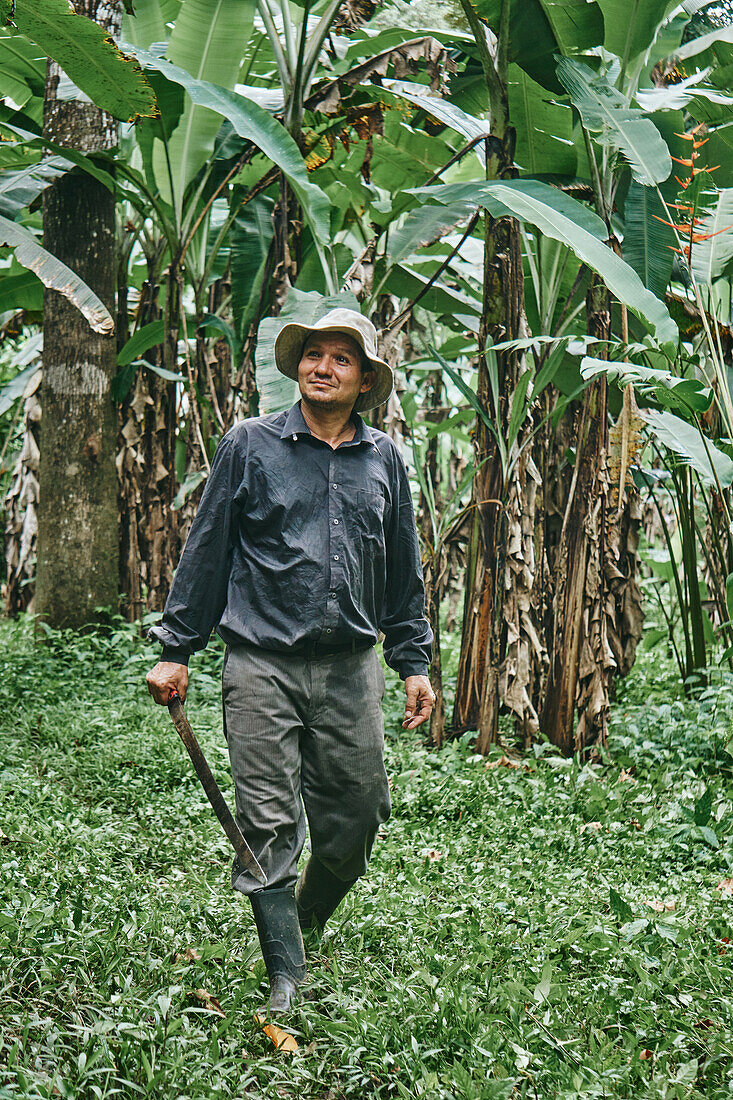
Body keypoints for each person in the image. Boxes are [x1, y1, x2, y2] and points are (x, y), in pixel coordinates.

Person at [145, 307, 434, 1016]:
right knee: (268, 822)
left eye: (341, 358)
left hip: (349, 669)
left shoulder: (384, 460)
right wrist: (177, 649)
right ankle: (284, 977)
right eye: (313, 354)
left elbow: (402, 570)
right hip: (260, 663)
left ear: (364, 378)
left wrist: (413, 661)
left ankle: (302, 921)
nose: (322, 367)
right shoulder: (251, 444)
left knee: (358, 819)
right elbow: (208, 548)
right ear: (297, 367)